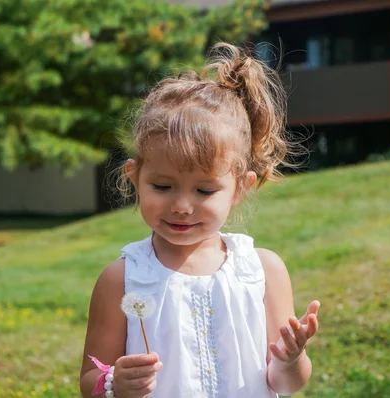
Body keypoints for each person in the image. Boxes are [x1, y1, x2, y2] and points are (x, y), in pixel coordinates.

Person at [80, 42, 320, 398]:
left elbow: (287, 383)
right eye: (162, 186)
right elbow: (90, 382)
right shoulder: (122, 279)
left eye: (204, 191)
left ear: (240, 188)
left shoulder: (262, 271)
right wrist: (116, 382)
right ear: (135, 178)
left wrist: (290, 359)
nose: (181, 206)